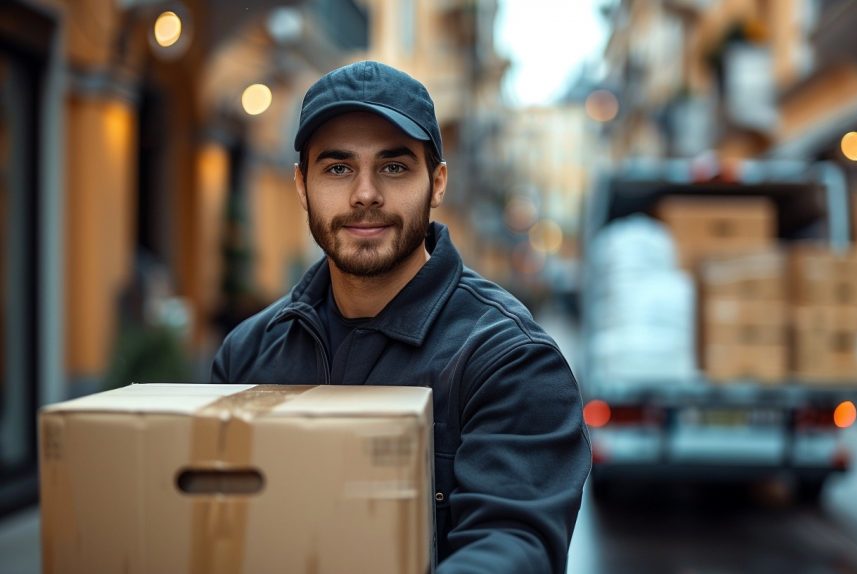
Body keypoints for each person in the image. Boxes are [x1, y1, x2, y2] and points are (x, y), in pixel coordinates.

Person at [211, 60, 591, 573]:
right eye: (338, 168)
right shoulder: (249, 352)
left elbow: (513, 547)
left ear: (436, 184)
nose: (365, 194)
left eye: (394, 167)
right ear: (302, 186)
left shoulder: (510, 360)